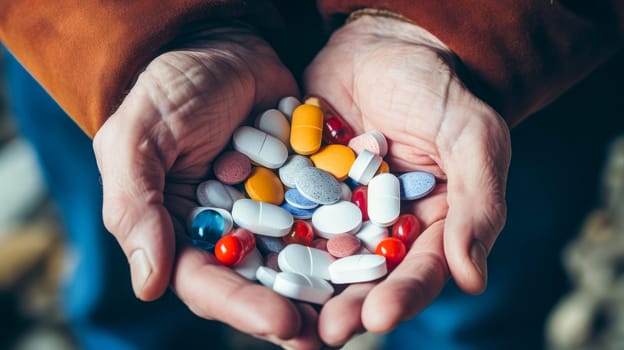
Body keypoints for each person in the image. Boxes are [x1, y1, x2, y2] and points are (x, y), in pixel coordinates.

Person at [1, 1, 623, 349]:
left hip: (513, 57)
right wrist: (135, 33)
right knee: (130, 263)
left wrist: (444, 23)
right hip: (96, 48)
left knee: (475, 296)